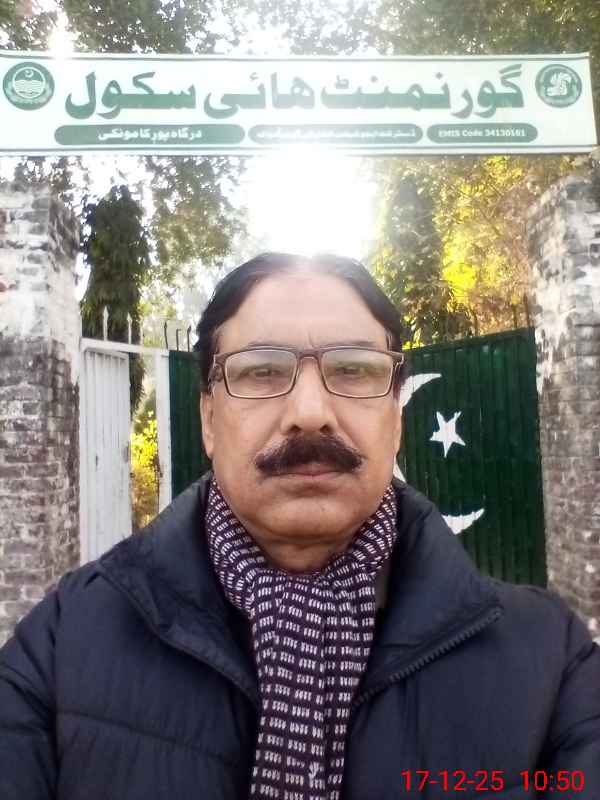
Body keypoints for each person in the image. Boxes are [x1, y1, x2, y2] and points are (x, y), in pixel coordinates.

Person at [0, 252, 599, 800]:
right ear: (208, 419)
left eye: (354, 369)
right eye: (261, 372)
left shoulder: (553, 667)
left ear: (396, 418)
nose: (310, 414)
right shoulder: (63, 643)